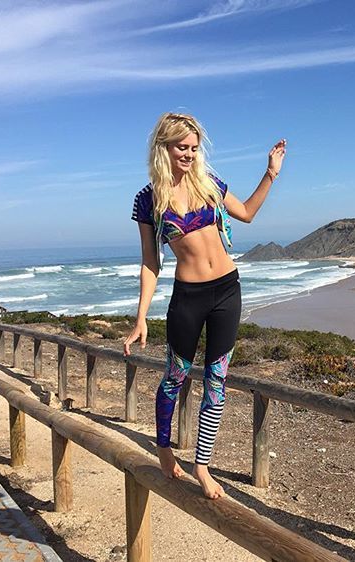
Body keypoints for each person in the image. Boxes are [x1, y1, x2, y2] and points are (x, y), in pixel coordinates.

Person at [123, 113, 286, 499]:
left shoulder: (209, 183)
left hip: (228, 290)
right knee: (175, 376)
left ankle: (202, 464)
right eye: (182, 147)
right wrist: (140, 316)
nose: (189, 154)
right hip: (189, 297)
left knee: (217, 380)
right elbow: (150, 262)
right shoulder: (147, 200)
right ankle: (164, 449)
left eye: (194, 148)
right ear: (163, 147)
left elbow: (246, 213)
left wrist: (270, 174)